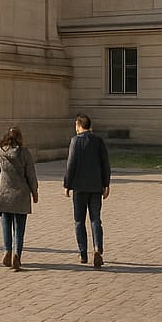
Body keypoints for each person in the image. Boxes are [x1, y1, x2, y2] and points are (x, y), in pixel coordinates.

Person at [63, 114, 111, 268]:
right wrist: (106, 184)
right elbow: (105, 163)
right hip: (96, 186)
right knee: (95, 219)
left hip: (79, 187)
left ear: (79, 125)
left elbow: (71, 164)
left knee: (79, 221)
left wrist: (67, 184)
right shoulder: (98, 141)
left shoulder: (75, 141)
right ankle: (97, 249)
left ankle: (83, 253)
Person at [0, 126, 39, 271]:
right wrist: (34, 192)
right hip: (21, 195)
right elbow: (31, 174)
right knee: (19, 228)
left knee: (6, 226)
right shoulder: (24, 153)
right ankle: (17, 254)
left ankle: (7, 250)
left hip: (4, 194)